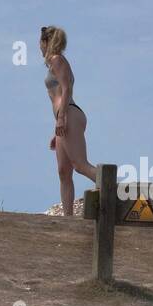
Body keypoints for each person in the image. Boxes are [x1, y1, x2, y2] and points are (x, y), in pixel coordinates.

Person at [40, 25, 96, 215]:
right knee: (64, 172)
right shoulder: (54, 63)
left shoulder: (57, 60)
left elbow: (66, 89)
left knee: (80, 164)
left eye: (40, 43)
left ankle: (114, 189)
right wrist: (56, 129)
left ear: (46, 42)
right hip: (64, 118)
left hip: (69, 114)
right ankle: (68, 219)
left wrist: (62, 118)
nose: (39, 48)